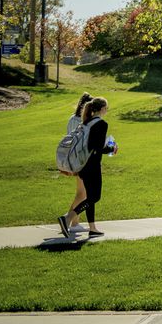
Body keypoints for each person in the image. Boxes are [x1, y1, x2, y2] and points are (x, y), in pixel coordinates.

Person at [58, 97, 115, 238]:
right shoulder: (102, 124)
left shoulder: (86, 122)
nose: (106, 111)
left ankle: (93, 228)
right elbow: (96, 147)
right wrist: (111, 149)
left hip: (82, 165)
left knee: (90, 196)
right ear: (102, 109)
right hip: (92, 165)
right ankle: (67, 218)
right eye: (106, 108)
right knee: (95, 197)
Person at [64, 93, 92, 233]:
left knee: (82, 192)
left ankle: (74, 222)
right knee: (82, 193)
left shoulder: (71, 119)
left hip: (72, 159)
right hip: (82, 160)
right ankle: (69, 220)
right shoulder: (85, 122)